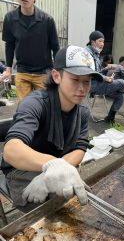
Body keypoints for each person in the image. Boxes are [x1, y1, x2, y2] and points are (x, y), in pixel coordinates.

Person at [1, 45, 103, 211]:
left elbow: (80, 147)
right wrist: (52, 166)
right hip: (21, 168)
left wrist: (60, 168)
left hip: (57, 163)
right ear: (57, 76)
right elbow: (11, 150)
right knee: (57, 207)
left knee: (72, 197)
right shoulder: (35, 104)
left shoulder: (82, 111)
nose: (82, 88)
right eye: (75, 79)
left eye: (87, 81)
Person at [1, 0, 60, 101]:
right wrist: (8, 69)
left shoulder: (47, 20)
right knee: (24, 110)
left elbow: (55, 47)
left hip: (44, 73)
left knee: (45, 108)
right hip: (22, 72)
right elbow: (9, 44)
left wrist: (57, 71)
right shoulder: (10, 19)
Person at [86, 30, 124, 124]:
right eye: (100, 41)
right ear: (93, 42)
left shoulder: (96, 53)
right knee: (122, 82)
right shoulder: (87, 54)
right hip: (91, 85)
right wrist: (106, 78)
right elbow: (90, 73)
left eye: (103, 41)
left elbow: (97, 72)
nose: (102, 44)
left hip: (98, 83)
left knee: (121, 96)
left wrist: (105, 69)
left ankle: (110, 118)